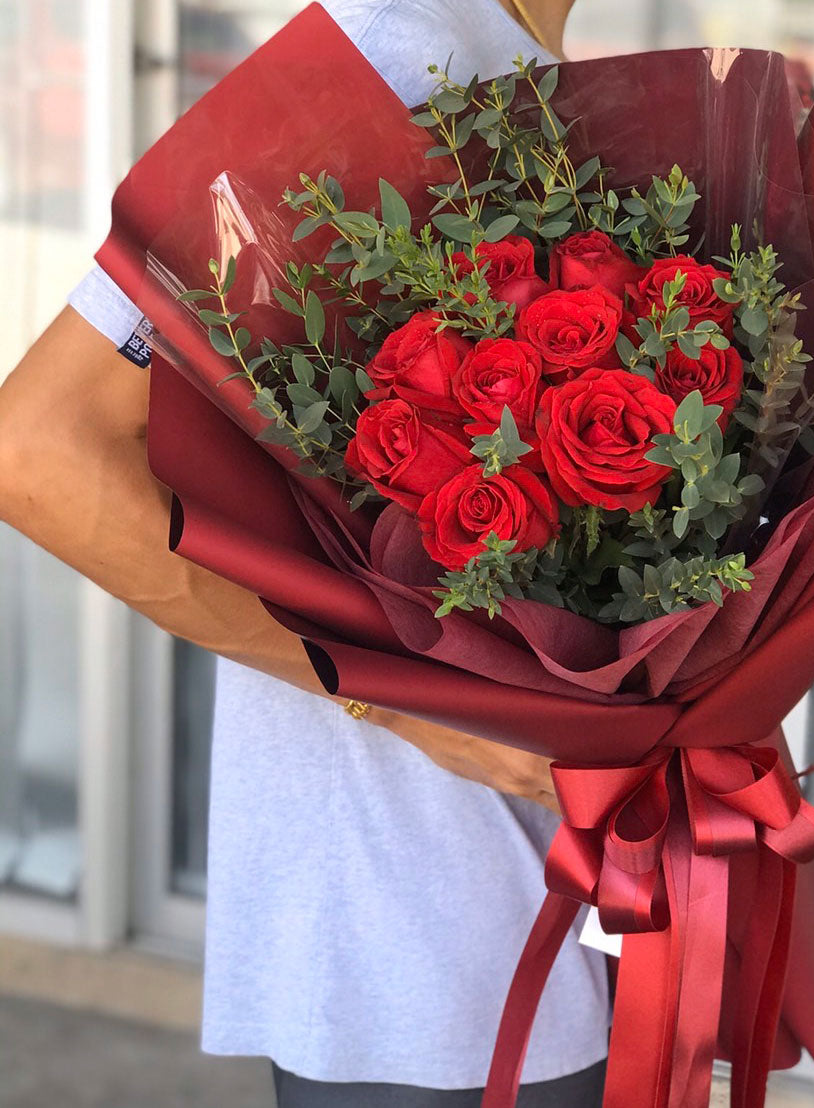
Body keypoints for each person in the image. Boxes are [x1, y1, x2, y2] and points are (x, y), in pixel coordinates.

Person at [0, 1, 611, 1105]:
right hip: (415, 934)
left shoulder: (517, 55)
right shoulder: (391, 59)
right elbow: (39, 453)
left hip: (543, 895)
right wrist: (404, 705)